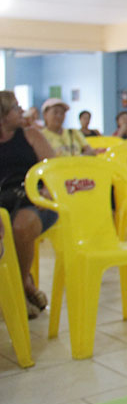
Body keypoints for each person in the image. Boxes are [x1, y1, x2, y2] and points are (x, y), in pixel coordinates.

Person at [0, 91, 57, 319]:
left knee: (21, 226)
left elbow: (53, 170)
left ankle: (22, 285)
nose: (22, 110)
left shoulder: (31, 135)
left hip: (36, 202)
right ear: (2, 115)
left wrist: (46, 190)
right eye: (16, 107)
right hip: (4, 204)